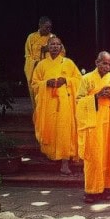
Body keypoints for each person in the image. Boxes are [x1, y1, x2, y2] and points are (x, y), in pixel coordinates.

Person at [76, 51, 110, 203]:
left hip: (109, 123)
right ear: (97, 62)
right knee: (94, 157)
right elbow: (78, 101)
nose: (107, 67)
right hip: (93, 124)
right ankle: (91, 191)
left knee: (108, 156)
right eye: (104, 63)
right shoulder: (86, 79)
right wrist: (96, 96)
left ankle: (107, 188)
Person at [31, 36, 81, 175]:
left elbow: (79, 80)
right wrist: (45, 83)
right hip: (48, 104)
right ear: (47, 47)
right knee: (50, 129)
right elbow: (34, 84)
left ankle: (65, 162)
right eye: (52, 44)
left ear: (61, 47)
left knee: (64, 130)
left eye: (58, 44)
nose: (55, 46)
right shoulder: (41, 65)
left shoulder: (68, 63)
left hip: (65, 103)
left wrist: (66, 80)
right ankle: (53, 156)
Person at [24, 16, 63, 107]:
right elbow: (27, 55)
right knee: (35, 93)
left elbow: (61, 52)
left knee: (48, 93)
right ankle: (37, 115)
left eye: (50, 27)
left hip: (48, 70)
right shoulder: (31, 37)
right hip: (34, 69)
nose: (48, 29)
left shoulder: (53, 37)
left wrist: (49, 49)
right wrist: (35, 63)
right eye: (46, 27)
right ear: (40, 25)